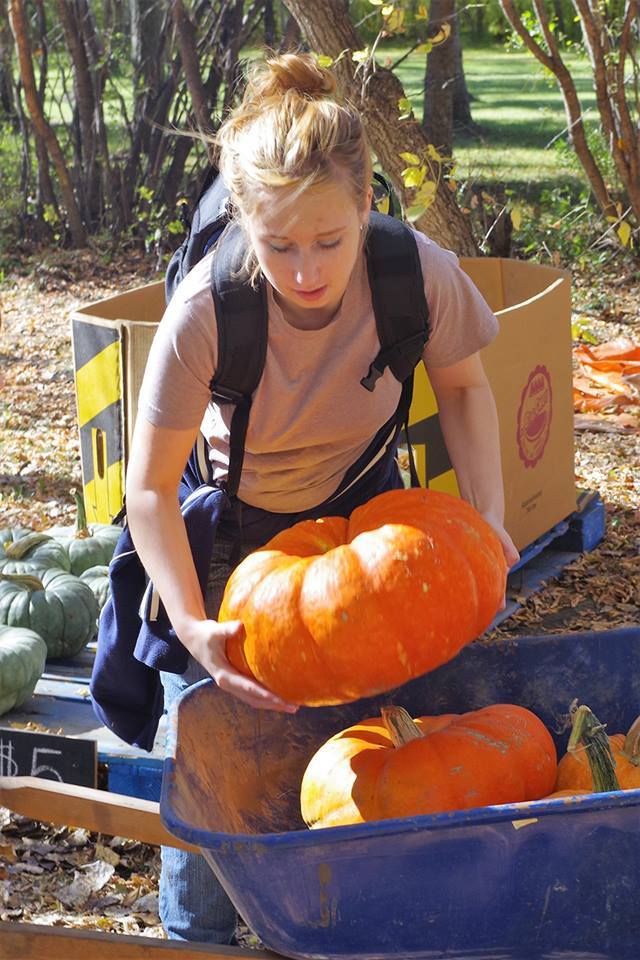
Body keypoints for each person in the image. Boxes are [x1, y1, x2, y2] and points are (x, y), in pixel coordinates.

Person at [124, 51, 519, 944]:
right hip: (236, 531)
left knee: (378, 720)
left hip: (363, 503)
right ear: (245, 225)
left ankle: (363, 917)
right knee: (217, 752)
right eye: (279, 246)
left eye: (328, 242)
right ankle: (200, 932)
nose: (305, 270)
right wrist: (194, 628)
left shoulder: (413, 273)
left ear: (366, 207)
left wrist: (488, 520)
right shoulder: (207, 311)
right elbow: (145, 489)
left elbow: (463, 388)